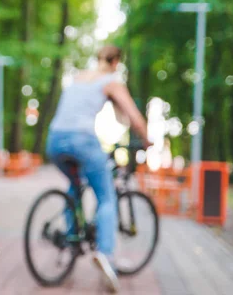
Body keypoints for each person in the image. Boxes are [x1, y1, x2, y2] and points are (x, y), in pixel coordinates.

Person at [45, 45, 150, 293]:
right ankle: (106, 254)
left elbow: (117, 116)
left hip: (54, 141)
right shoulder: (111, 80)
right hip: (82, 140)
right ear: (116, 62)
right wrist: (147, 139)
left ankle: (72, 241)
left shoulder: (78, 77)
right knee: (106, 197)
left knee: (75, 184)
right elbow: (133, 117)